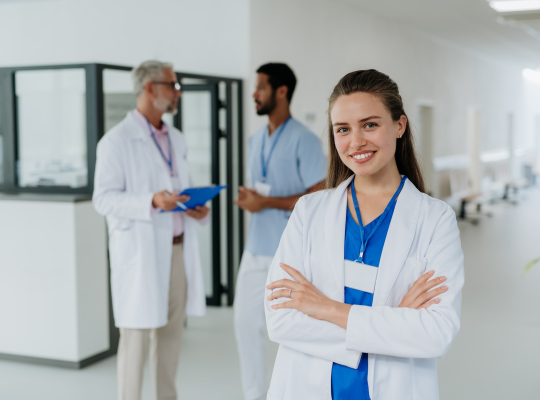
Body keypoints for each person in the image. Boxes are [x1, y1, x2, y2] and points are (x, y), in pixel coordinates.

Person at [264, 69, 464, 400]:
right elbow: (280, 320)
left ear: (399, 125)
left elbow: (436, 333)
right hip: (304, 387)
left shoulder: (435, 220)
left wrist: (325, 308)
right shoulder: (309, 212)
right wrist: (394, 323)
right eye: (343, 129)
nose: (356, 141)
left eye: (370, 124)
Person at [93, 60, 210, 400]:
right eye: (171, 86)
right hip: (141, 254)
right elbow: (103, 199)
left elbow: (180, 185)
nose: (177, 93)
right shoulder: (115, 141)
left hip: (176, 249)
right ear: (149, 89)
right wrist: (152, 201)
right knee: (136, 342)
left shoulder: (176, 138)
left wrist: (194, 206)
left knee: (171, 339)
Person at [233, 63, 327, 400]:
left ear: (281, 91)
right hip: (256, 246)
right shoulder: (255, 139)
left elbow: (319, 194)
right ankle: (254, 395)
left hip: (289, 251)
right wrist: (251, 199)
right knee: (245, 325)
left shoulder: (304, 139)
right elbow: (262, 191)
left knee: (295, 331)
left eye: (260, 87)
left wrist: (266, 202)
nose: (254, 94)